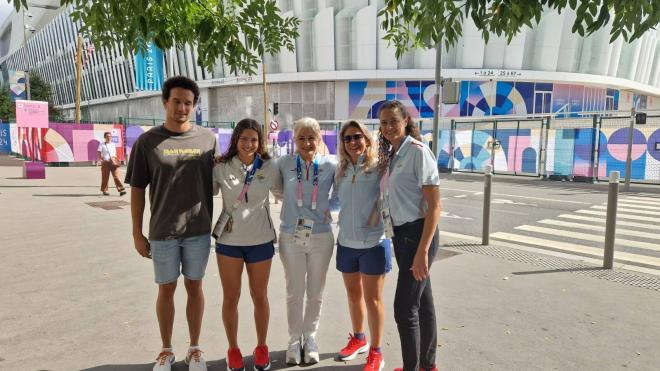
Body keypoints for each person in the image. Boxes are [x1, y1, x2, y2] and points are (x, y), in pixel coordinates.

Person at [125, 76, 218, 371]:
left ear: (194, 106)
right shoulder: (147, 141)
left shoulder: (207, 140)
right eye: (176, 101)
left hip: (198, 231)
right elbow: (138, 190)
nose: (181, 108)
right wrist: (137, 234)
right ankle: (166, 350)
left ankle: (194, 348)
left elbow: (221, 182)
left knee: (195, 287)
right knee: (166, 290)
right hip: (163, 232)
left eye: (188, 103)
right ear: (165, 102)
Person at [212, 118, 281, 371]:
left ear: (259, 142)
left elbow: (285, 193)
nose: (248, 144)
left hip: (261, 241)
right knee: (231, 297)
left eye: (253, 139)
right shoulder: (221, 166)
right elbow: (205, 193)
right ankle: (233, 350)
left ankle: (262, 347)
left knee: (259, 296)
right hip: (229, 242)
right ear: (235, 140)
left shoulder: (270, 166)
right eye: (244, 139)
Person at [377, 100, 441, 371]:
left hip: (418, 233)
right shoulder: (392, 153)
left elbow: (435, 206)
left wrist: (423, 250)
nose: (389, 127)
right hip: (400, 234)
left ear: (405, 121)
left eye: (393, 121)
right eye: (383, 123)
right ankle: (428, 364)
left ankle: (412, 367)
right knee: (423, 302)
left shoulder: (417, 152)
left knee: (404, 309)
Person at [275, 117, 338, 365]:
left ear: (319, 138)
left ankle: (310, 337)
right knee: (294, 292)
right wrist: (291, 205)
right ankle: (293, 340)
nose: (307, 142)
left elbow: (340, 195)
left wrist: (327, 208)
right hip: (291, 235)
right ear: (294, 140)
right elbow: (276, 189)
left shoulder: (330, 165)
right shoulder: (284, 163)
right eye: (301, 137)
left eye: (311, 137)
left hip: (321, 235)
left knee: (315, 292)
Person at [334, 120, 390, 371]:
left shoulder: (380, 167)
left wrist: (378, 220)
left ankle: (376, 352)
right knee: (353, 295)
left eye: (357, 137)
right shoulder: (341, 170)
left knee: (373, 299)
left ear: (367, 140)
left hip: (373, 243)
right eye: (347, 139)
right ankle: (359, 339)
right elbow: (336, 202)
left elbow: (391, 198)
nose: (353, 142)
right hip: (346, 242)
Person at [97, 131, 126, 196]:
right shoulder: (102, 144)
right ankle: (104, 191)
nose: (109, 138)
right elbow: (99, 153)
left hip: (113, 162)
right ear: (105, 137)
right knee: (105, 177)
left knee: (116, 176)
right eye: (107, 136)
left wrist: (115, 159)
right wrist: (103, 159)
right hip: (106, 162)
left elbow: (114, 153)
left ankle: (121, 190)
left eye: (110, 136)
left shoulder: (113, 144)